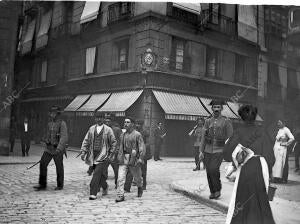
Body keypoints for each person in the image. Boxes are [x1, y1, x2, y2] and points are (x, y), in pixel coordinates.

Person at [225, 144, 275, 224]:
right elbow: (270, 154)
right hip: (262, 166)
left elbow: (236, 154)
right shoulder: (266, 134)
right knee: (261, 197)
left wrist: (233, 168)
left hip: (248, 166)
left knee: (245, 198)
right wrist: (270, 171)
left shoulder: (243, 136)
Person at [223, 105, 275, 174]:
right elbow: (270, 157)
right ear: (255, 117)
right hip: (259, 171)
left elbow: (227, 154)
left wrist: (237, 161)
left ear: (242, 117)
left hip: (243, 171)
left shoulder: (238, 132)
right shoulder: (262, 132)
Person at [199, 99, 233, 199]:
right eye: (215, 107)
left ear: (221, 109)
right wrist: (201, 151)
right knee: (209, 171)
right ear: (212, 108)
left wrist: (227, 150)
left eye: (218, 107)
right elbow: (203, 137)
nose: (216, 109)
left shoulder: (226, 121)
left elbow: (230, 137)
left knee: (214, 169)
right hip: (207, 150)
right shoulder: (207, 121)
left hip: (219, 150)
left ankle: (217, 189)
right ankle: (212, 191)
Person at [80, 111, 116, 200]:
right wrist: (83, 151)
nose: (99, 119)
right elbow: (86, 140)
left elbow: (113, 142)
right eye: (97, 117)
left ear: (103, 119)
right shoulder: (91, 129)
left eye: (101, 117)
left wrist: (111, 154)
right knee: (100, 176)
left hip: (103, 155)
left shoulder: (108, 129)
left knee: (96, 174)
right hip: (93, 154)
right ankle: (105, 186)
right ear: (95, 119)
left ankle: (93, 193)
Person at [33, 105, 68, 191]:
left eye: (54, 113)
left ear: (57, 114)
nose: (52, 114)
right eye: (51, 112)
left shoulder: (62, 123)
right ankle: (42, 184)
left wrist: (59, 149)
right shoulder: (50, 123)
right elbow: (47, 135)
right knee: (43, 164)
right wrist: (46, 140)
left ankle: (60, 185)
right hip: (49, 149)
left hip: (57, 149)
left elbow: (64, 137)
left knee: (59, 167)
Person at [115, 117, 145, 202]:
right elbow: (120, 146)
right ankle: (120, 195)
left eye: (128, 122)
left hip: (134, 158)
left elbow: (141, 147)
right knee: (120, 178)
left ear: (132, 124)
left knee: (137, 177)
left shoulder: (137, 134)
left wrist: (140, 158)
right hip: (124, 157)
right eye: (125, 122)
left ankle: (140, 187)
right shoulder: (122, 134)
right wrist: (118, 155)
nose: (125, 124)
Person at [124, 119, 150, 191]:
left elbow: (148, 143)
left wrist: (141, 147)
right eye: (137, 124)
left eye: (140, 124)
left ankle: (143, 185)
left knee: (143, 171)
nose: (138, 125)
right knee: (130, 170)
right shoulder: (133, 132)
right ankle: (127, 187)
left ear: (142, 125)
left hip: (142, 154)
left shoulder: (145, 132)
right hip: (133, 154)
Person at [104, 113, 122, 189]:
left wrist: (117, 150)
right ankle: (103, 184)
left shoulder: (117, 129)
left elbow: (121, 141)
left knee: (116, 170)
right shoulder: (103, 130)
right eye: (106, 121)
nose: (107, 123)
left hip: (114, 153)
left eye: (109, 121)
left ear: (111, 122)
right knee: (103, 170)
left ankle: (117, 184)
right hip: (105, 153)